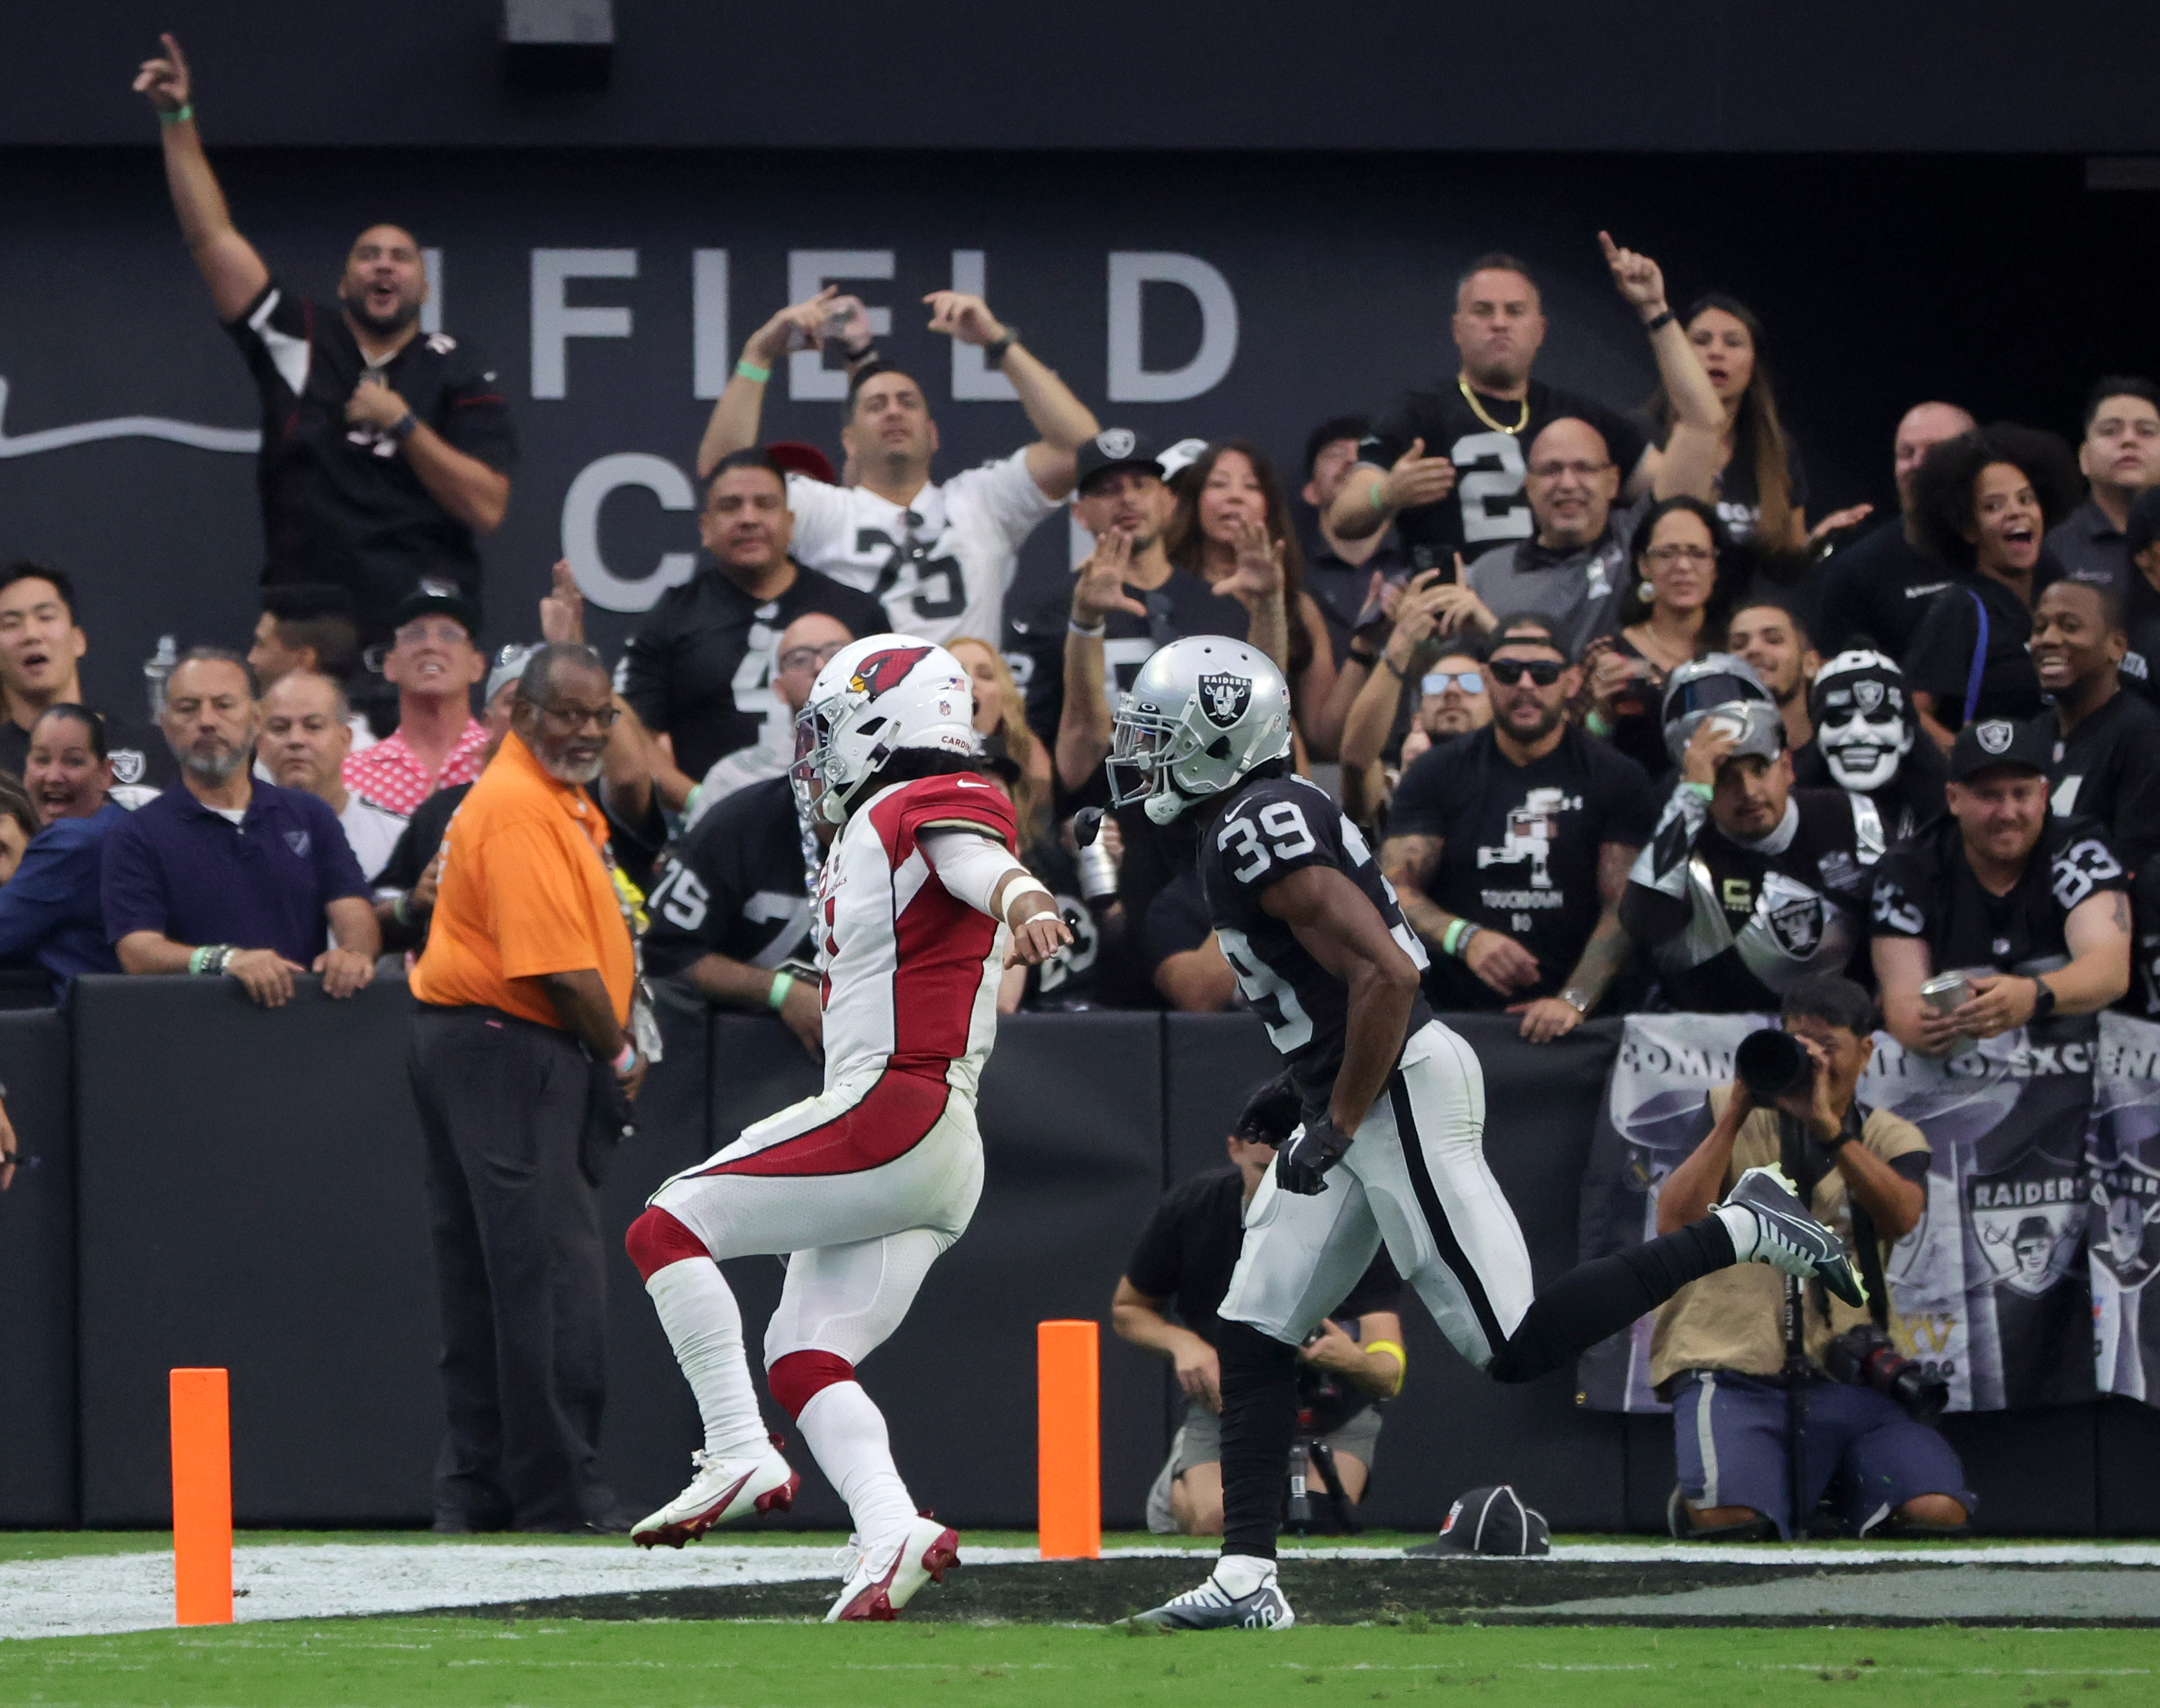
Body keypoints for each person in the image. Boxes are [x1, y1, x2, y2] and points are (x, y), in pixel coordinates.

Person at [1107, 637, 1859, 1629]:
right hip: (1356, 1085)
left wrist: (1331, 1115)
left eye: (1164, 735)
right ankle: (1247, 1575)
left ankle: (1741, 1224)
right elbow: (1341, 985)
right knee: (1251, 1329)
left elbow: (1389, 974)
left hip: (1393, 1091)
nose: (1145, 754)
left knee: (1513, 1343)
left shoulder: (1257, 824)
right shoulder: (1256, 815)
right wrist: (1301, 1093)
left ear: (1220, 738)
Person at [621, 636, 1072, 1622]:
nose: (816, 754)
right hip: (939, 1139)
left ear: (883, 717)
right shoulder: (886, 813)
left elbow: (980, 858)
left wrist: (1028, 897)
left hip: (896, 1106)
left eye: (826, 730)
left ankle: (737, 1444)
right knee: (804, 1348)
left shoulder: (927, 796)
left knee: (667, 1225)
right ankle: (889, 1523)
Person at [136, 36, 514, 647]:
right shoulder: (301, 336)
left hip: (420, 633)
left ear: (423, 284)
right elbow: (212, 238)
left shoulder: (456, 367)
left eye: (399, 258)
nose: (384, 267)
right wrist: (177, 118)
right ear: (344, 282)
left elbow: (487, 507)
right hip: (309, 633)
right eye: (368, 256)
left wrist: (404, 425)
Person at [406, 643, 648, 1534]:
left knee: (488, 1273)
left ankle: (479, 1486)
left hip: (485, 1043)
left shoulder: (548, 798)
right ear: (520, 713)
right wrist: (619, 1056)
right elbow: (561, 969)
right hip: (512, 1043)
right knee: (546, 1276)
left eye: (601, 714)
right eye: (568, 712)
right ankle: (559, 1494)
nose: (585, 729)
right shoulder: (515, 807)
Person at [1653, 976, 1971, 1541]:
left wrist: (1827, 1126)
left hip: (1845, 1369)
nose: (1815, 1060)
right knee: (1732, 1525)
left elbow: (1901, 1215)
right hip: (1731, 1361)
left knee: (1936, 1511)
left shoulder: (1888, 1135)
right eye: (1801, 1044)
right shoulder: (1726, 1108)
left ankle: (1841, 1489)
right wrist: (1739, 1110)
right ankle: (1719, 1495)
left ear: (1866, 1051)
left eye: (1830, 1046)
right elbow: (1674, 1220)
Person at [696, 286, 1099, 647]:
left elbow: (1081, 449)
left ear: (933, 434)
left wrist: (997, 342)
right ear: (849, 440)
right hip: (857, 719)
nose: (893, 412)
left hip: (963, 720)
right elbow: (724, 473)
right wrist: (758, 353)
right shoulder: (824, 511)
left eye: (907, 403)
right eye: (876, 405)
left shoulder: (982, 503)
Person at [1115, 1075, 1405, 1535]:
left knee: (1313, 1521)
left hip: (1332, 1408)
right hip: (1227, 1401)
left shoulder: (1354, 1222)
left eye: (1291, 1174)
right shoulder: (1195, 1207)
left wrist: (1354, 1361)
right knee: (1221, 1520)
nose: (1277, 1191)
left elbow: (1388, 1371)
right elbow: (1128, 1308)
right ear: (1234, 1149)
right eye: (1262, 1171)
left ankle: (1207, 1472)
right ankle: (1184, 1475)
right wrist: (1186, 1345)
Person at [1326, 245, 1676, 568]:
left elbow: (1677, 492)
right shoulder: (1418, 416)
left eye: (1515, 311)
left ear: (1539, 331)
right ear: (1457, 330)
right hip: (1454, 618)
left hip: (1564, 616)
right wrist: (1385, 495)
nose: (1499, 323)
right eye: (1483, 311)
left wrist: (1655, 308)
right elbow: (1344, 516)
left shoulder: (1578, 419)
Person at [1384, 622, 1650, 1038]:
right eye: (1508, 672)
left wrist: (1573, 1000)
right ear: (1488, 678)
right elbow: (1394, 890)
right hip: (1455, 1017)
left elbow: (1624, 907)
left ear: (1572, 681)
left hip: (1581, 1023)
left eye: (1543, 673)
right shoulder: (1435, 773)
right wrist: (1465, 937)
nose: (1525, 685)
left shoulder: (1617, 777)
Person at [102, 650, 379, 1009]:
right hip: (195, 1035)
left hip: (305, 1032)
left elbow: (353, 910)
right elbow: (136, 951)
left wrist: (353, 954)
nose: (207, 721)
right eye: (188, 708)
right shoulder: (136, 834)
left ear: (257, 718)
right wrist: (226, 960)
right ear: (165, 724)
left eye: (224, 705)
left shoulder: (310, 816)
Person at [642, 611, 859, 1061]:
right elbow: (665, 949)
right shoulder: (737, 821)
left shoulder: (907, 824)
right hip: (739, 1067)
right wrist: (780, 991)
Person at [619, 451, 886, 814]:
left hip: (843, 825)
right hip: (714, 839)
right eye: (731, 506)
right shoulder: (672, 617)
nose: (748, 519)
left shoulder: (856, 612)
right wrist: (704, 804)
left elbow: (892, 723)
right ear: (706, 527)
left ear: (791, 523)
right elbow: (634, 736)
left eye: (765, 504)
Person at [1618, 656, 1872, 1013]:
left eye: (1758, 769)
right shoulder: (1683, 849)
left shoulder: (1853, 819)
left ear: (1787, 767)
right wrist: (1692, 796)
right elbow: (1642, 922)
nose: (1749, 791)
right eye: (1723, 777)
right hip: (1713, 1047)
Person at [1872, 716, 2132, 1058]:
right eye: (1989, 796)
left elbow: (2110, 971)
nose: (2007, 813)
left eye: (2020, 794)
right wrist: (1929, 1026)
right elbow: (1902, 1002)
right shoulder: (1908, 869)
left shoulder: (2077, 850)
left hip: (2078, 1072)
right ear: (1953, 799)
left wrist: (2032, 995)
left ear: (2043, 795)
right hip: (1960, 1078)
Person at [1047, 431, 1248, 795]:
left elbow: (1264, 713)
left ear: (1170, 500)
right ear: (1079, 513)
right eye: (1107, 490)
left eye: (1142, 485)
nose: (1127, 499)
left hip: (1209, 809)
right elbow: (1036, 736)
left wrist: (1267, 605)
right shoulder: (1050, 611)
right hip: (1104, 814)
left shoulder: (1220, 607)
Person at [1646, 294, 1873, 556]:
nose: (1716, 352)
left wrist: (1818, 539)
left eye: (1733, 343)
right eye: (1701, 341)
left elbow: (1784, 566)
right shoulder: (1642, 432)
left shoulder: (1778, 453)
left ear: (1754, 363)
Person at [1901, 425, 2081, 747]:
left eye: (2026, 499)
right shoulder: (1961, 608)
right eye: (1993, 506)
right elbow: (1912, 713)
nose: (2016, 511)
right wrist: (1971, 762)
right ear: (1970, 529)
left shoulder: (2049, 605)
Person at [1166, 441, 1331, 726]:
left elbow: (1325, 735)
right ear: (1194, 502)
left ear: (1269, 505)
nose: (1235, 497)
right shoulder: (1165, 594)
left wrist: (1365, 653)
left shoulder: (1298, 607)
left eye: (1252, 487)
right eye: (1219, 484)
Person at [1582, 497, 1737, 780]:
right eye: (1667, 553)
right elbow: (1580, 756)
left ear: (1715, 566)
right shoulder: (1606, 654)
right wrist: (1602, 716)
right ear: (1644, 565)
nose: (1683, 566)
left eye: (1697, 554)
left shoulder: (1737, 648)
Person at [1814, 403, 1975, 660]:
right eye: (1906, 453)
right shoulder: (1856, 574)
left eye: (1934, 451)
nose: (1917, 464)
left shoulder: (2008, 551)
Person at [0, 563, 170, 800]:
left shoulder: (155, 748)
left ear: (78, 640)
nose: (31, 634)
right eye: (10, 624)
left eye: (45, 617)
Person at [2026, 577, 2160, 871]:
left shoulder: (2142, 737)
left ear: (2117, 646)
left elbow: (2134, 868)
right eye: (2039, 627)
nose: (2048, 638)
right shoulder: (2033, 734)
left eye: (2070, 626)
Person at [0, 707, 125, 999]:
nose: (53, 776)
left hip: (96, 1028)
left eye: (74, 761)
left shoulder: (74, 841)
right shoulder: (120, 824)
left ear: (106, 773)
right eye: (41, 760)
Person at [1795, 650, 1946, 857]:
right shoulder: (1791, 814)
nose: (1858, 733)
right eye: (1839, 720)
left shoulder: (1948, 821)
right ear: (1819, 739)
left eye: (1877, 718)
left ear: (1907, 736)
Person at [260, 670, 407, 881]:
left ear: (345, 740)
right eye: (280, 728)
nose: (295, 740)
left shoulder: (396, 839)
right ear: (260, 745)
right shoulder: (233, 837)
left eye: (313, 726)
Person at [1297, 416, 1409, 659]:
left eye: (1366, 454)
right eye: (1335, 454)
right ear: (1311, 492)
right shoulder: (1291, 572)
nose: (1352, 461)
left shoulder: (1417, 565)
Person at [2045, 379, 2160, 593]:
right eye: (2110, 431)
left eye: (2146, 432)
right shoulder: (2055, 548)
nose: (2129, 440)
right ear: (2084, 458)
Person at [247, 583, 375, 751]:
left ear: (303, 660)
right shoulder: (253, 748)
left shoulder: (362, 757)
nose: (251, 658)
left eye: (261, 645)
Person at [1728, 600, 1820, 763]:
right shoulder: (1713, 767)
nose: (1753, 649)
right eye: (1739, 644)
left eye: (1773, 640)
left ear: (1810, 664)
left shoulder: (1836, 760)